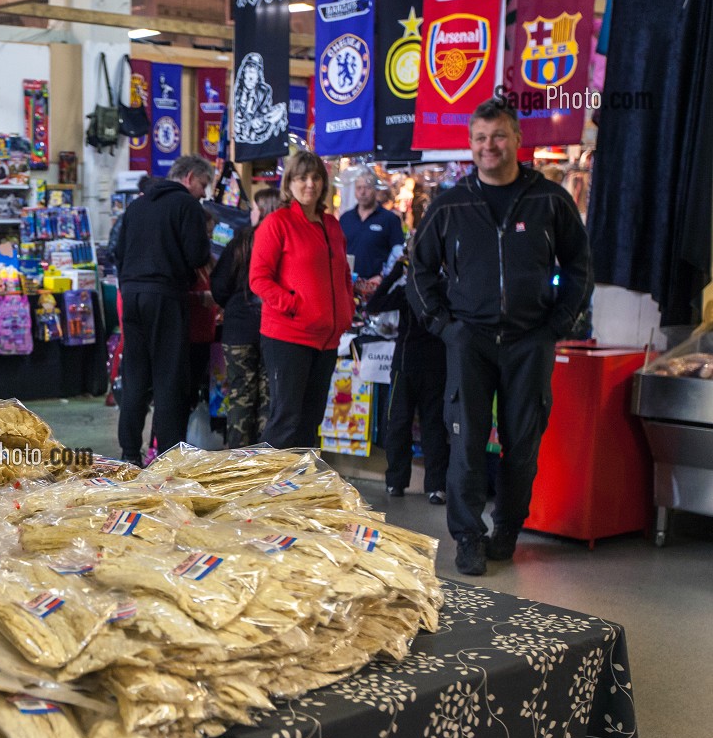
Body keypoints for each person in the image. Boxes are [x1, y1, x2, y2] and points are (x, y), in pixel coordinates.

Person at [408, 98, 593, 576]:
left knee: (522, 441)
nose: (489, 146)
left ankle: (507, 529)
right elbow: (419, 271)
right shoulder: (451, 205)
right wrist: (444, 326)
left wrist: (558, 324)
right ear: (471, 145)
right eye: (480, 138)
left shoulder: (550, 199)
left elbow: (579, 266)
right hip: (469, 339)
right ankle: (468, 536)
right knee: (465, 441)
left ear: (517, 140)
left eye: (498, 136)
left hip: (530, 339)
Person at [249, 151, 354, 449]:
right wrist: (294, 306)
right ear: (289, 183)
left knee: (311, 420)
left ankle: (301, 488)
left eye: (316, 177)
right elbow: (258, 278)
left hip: (327, 339)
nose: (310, 184)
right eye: (302, 177)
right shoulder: (277, 223)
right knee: (286, 419)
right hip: (289, 336)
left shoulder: (332, 225)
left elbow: (343, 273)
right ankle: (267, 489)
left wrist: (347, 309)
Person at [113, 155, 214, 465]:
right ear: (190, 177)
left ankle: (130, 453)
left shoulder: (137, 206)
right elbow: (197, 254)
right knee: (169, 377)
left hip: (131, 295)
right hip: (166, 297)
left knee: (135, 375)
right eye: (203, 184)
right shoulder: (187, 206)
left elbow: (116, 250)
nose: (204, 193)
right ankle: (169, 456)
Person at [365, 234, 449, 503]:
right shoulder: (410, 289)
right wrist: (394, 274)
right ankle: (398, 481)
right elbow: (373, 305)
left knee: (430, 426)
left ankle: (434, 485)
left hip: (432, 365)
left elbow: (373, 305)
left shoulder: (442, 287)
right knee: (400, 423)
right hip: (408, 364)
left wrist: (397, 273)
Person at [210, 188, 280, 447]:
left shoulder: (241, 241)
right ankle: (266, 457)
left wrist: (231, 304)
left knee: (240, 394)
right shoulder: (282, 242)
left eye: (253, 208)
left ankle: (238, 459)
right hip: (273, 328)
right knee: (269, 396)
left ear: (261, 210)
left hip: (238, 328)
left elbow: (219, 284)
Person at [340, 171, 405, 297]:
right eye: (359, 188)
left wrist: (383, 276)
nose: (362, 192)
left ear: (376, 190)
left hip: (377, 287)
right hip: (347, 286)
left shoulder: (390, 219)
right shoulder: (345, 218)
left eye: (367, 188)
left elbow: (399, 254)